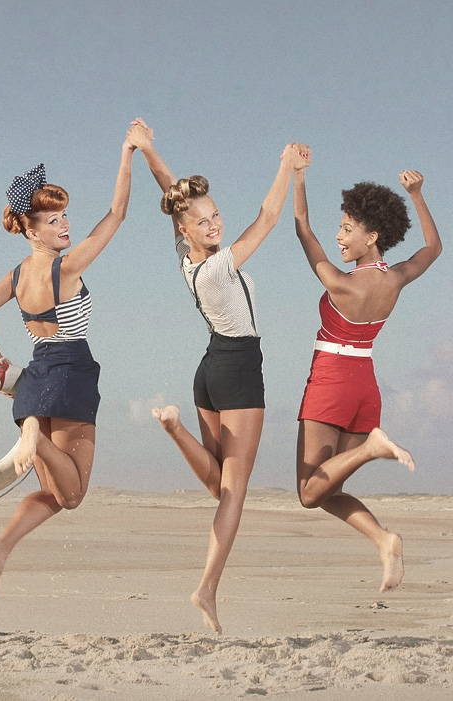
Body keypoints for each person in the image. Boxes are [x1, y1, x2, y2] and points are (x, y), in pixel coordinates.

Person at [131, 118, 310, 632]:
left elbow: (172, 193)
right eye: (202, 221)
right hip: (237, 371)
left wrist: (147, 149)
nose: (213, 225)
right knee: (234, 490)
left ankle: (175, 428)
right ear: (185, 229)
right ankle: (207, 587)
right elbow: (268, 217)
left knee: (219, 485)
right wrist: (286, 165)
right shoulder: (216, 269)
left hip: (209, 371)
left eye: (215, 215)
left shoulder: (187, 261)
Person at [0, 122, 147, 598]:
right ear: (30, 229)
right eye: (53, 220)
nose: (65, 225)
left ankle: (0, 547)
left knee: (53, 494)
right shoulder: (66, 267)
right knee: (75, 493)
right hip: (70, 372)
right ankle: (36, 440)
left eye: (65, 216)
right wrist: (127, 153)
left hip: (34, 379)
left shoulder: (16, 275)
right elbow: (118, 213)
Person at [291, 162, 442, 593]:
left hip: (332, 381)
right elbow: (433, 247)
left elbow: (302, 227)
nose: (338, 237)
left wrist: (298, 176)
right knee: (327, 489)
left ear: (371, 236)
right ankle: (383, 539)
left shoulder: (341, 283)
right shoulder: (396, 278)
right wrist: (417, 194)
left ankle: (373, 448)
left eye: (347, 229)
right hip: (366, 387)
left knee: (308, 492)